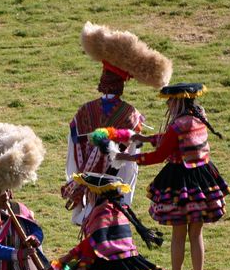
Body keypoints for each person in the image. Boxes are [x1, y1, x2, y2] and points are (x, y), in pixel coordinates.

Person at [116, 82, 230, 270]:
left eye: (170, 100)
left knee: (179, 234)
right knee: (196, 234)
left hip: (180, 181)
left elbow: (160, 155)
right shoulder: (198, 118)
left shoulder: (177, 124)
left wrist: (130, 157)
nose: (167, 104)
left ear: (177, 101)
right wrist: (147, 138)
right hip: (203, 179)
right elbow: (172, 141)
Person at [63, 22, 172, 225]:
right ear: (122, 85)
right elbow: (132, 159)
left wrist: (78, 176)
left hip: (85, 182)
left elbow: (73, 148)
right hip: (114, 185)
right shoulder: (131, 115)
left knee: (89, 225)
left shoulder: (84, 111)